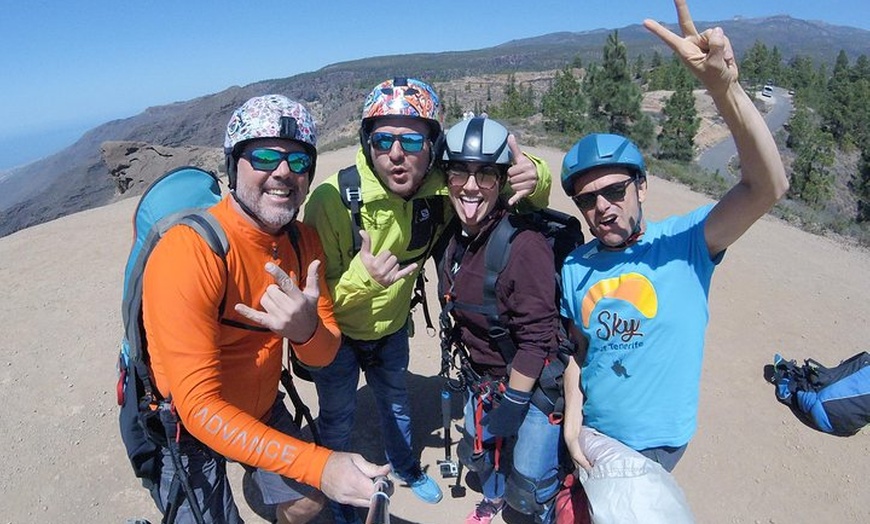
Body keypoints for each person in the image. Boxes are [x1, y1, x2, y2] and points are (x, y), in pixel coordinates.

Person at [303, 77, 551, 524]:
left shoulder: (442, 185)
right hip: (338, 337)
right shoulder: (332, 202)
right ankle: (339, 500)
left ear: (431, 149)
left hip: (393, 328)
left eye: (412, 139)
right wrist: (363, 279)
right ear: (368, 142)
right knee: (337, 418)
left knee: (396, 404)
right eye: (383, 139)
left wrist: (537, 173)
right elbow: (312, 299)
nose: (397, 153)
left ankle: (406, 468)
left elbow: (495, 175)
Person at [560, 0, 789, 476]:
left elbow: (766, 187)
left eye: (615, 190)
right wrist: (572, 418)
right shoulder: (575, 267)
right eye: (587, 200)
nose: (602, 206)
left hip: (658, 446)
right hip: (593, 434)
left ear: (641, 187)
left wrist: (724, 91)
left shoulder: (688, 243)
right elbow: (578, 352)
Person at [141, 94, 389, 523]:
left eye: (298, 162)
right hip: (182, 424)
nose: (282, 172)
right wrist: (321, 464)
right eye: (264, 156)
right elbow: (198, 405)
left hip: (258, 403)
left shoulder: (302, 241)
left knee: (308, 501)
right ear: (233, 166)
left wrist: (306, 330)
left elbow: (325, 354)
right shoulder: (189, 251)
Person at [436, 116, 563, 524]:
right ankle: (492, 500)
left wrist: (515, 401)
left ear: (503, 180)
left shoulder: (524, 247)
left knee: (529, 486)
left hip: (529, 383)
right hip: (482, 377)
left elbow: (538, 337)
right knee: (480, 454)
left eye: (486, 174)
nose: (470, 185)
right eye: (460, 171)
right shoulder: (454, 237)